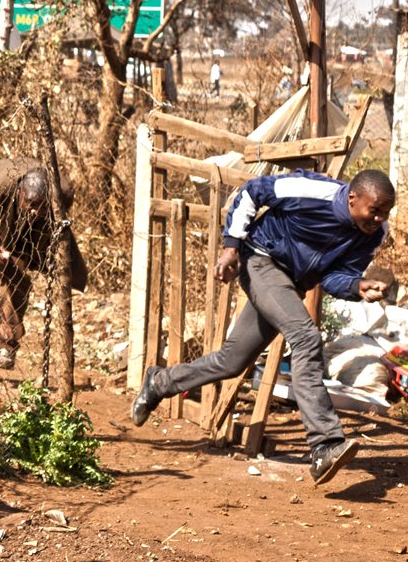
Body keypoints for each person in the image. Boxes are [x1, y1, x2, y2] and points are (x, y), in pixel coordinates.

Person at [132, 169, 395, 486]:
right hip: (261, 260)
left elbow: (334, 277)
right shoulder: (314, 192)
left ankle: (160, 382)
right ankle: (325, 443)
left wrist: (357, 286)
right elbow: (252, 191)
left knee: (232, 361)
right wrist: (231, 247)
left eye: (385, 212)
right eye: (375, 210)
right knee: (306, 337)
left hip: (290, 284)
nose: (380, 219)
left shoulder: (374, 234)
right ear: (353, 198)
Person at [0, 158, 88, 370]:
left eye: (40, 205)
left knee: (16, 279)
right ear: (19, 193)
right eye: (29, 203)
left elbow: (51, 228)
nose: (34, 211)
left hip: (27, 234)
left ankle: (4, 343)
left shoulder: (60, 195)